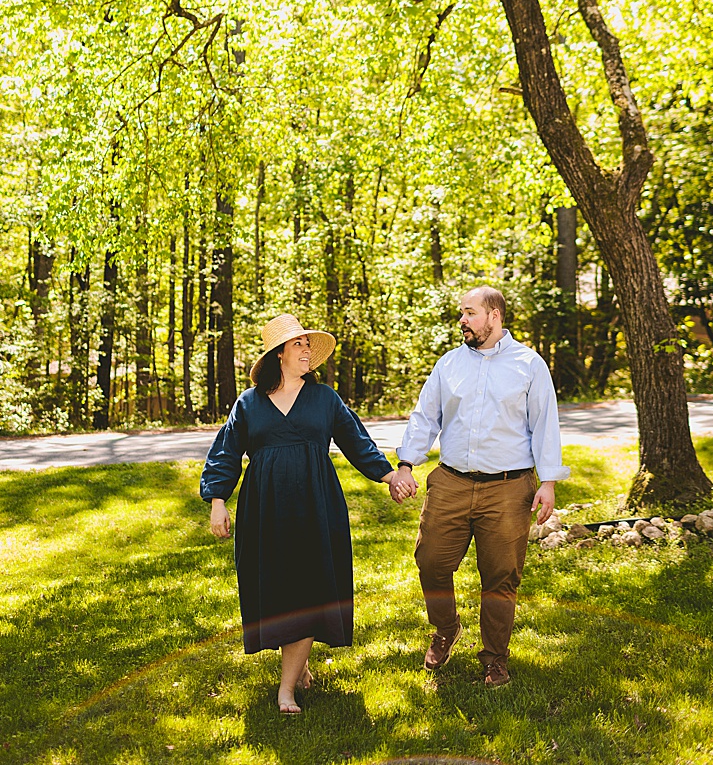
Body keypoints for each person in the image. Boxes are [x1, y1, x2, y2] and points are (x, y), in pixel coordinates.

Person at [201, 313, 399, 715]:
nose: (307, 350)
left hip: (315, 504)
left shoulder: (324, 398)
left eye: (308, 344)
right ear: (278, 354)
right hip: (265, 510)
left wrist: (389, 474)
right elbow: (225, 452)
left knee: (309, 586)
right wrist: (218, 500)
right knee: (278, 588)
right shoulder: (249, 403)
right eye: (299, 345)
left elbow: (355, 440)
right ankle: (299, 662)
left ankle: (286, 689)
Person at [388, 285, 568, 687]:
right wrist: (405, 464)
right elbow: (425, 417)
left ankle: (494, 659)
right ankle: (446, 628)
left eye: (470, 313)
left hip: (508, 487)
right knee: (431, 562)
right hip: (451, 482)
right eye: (462, 314)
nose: (463, 321)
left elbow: (545, 424)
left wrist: (549, 481)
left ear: (494, 316)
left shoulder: (529, 364)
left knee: (501, 576)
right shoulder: (449, 364)